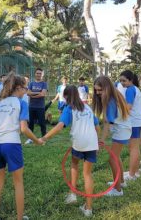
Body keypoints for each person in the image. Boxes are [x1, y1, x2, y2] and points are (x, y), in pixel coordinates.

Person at [0, 73, 44, 220]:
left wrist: (0, 133)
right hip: (11, 144)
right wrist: (37, 140)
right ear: (18, 88)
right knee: (18, 183)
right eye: (25, 89)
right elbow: (24, 129)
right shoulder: (21, 103)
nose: (26, 91)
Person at [42, 85, 100, 217]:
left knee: (74, 165)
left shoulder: (69, 108)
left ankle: (72, 194)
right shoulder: (88, 108)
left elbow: (59, 126)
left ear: (67, 96)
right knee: (87, 174)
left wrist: (45, 137)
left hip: (79, 143)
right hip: (92, 143)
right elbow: (97, 127)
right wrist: (99, 144)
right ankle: (88, 209)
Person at [92, 76, 131, 197]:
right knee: (116, 156)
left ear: (107, 88)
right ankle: (121, 182)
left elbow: (107, 124)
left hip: (121, 130)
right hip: (122, 129)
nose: (98, 93)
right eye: (96, 90)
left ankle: (117, 190)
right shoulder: (112, 96)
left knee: (112, 159)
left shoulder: (110, 100)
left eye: (100, 90)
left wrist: (101, 142)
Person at [118, 70, 141, 181]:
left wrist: (118, 118)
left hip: (133, 123)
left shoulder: (130, 90)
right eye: (120, 81)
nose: (122, 83)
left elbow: (128, 107)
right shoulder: (135, 89)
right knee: (135, 148)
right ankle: (135, 171)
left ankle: (132, 174)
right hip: (138, 122)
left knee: (133, 148)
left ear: (131, 80)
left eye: (124, 80)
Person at [25, 68, 48, 144]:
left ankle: (44, 138)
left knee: (42, 123)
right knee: (31, 123)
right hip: (31, 106)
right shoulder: (31, 83)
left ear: (42, 75)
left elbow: (43, 94)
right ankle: (30, 138)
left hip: (40, 107)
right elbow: (28, 93)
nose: (38, 75)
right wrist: (38, 93)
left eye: (40, 73)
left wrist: (33, 94)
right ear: (35, 74)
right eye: (37, 73)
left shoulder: (44, 84)